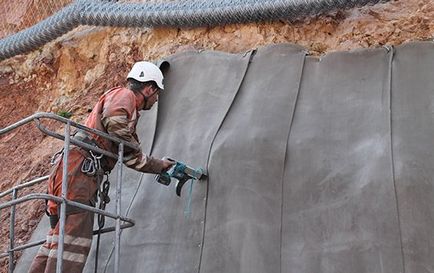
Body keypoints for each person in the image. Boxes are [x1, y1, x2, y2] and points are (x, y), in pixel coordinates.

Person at [29, 61, 174, 273]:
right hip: (79, 173)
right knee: (73, 240)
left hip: (71, 169)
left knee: (58, 238)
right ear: (149, 88)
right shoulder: (125, 96)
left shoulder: (122, 103)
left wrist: (159, 165)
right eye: (157, 93)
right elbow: (116, 124)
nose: (156, 99)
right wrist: (134, 146)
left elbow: (131, 158)